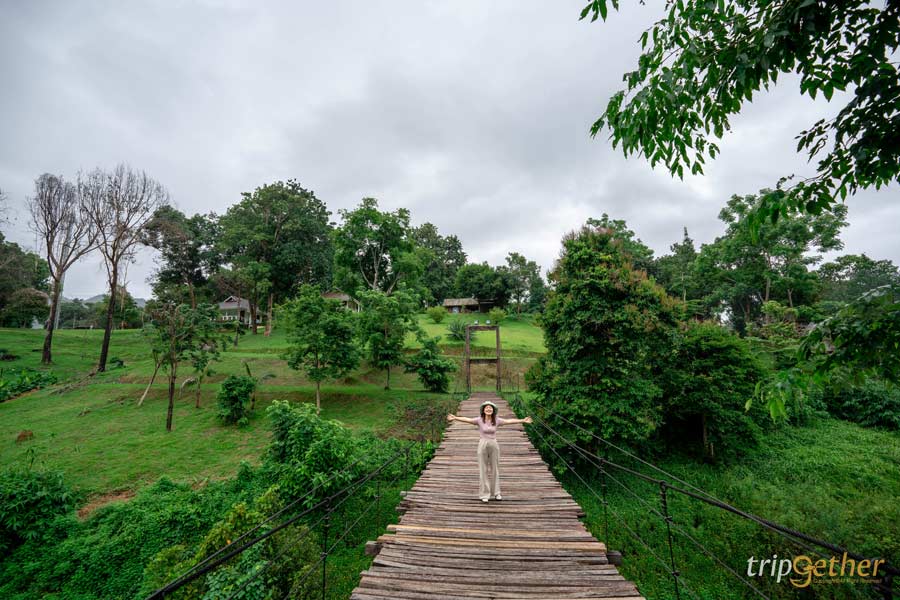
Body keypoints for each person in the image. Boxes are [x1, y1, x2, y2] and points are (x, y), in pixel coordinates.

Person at [447, 400, 533, 502]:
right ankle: (484, 495)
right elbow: (468, 419)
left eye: (490, 407)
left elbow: (509, 421)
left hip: (494, 444)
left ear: (493, 410)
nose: (489, 409)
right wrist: (455, 418)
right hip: (482, 444)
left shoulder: (497, 420)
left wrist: (522, 420)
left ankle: (497, 493)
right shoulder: (479, 420)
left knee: (495, 468)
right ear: (483, 410)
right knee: (483, 469)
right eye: (486, 407)